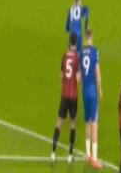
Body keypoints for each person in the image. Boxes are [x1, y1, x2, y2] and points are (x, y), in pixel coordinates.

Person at [51, 32, 80, 164]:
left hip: (64, 95)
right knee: (73, 123)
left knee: (59, 122)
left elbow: (61, 76)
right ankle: (69, 155)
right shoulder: (77, 58)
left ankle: (53, 153)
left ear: (69, 42)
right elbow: (78, 79)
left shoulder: (64, 56)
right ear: (76, 43)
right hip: (73, 96)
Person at [81, 30, 103, 169]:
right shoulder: (95, 52)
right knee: (94, 123)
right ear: (92, 37)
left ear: (85, 38)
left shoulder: (81, 53)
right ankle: (94, 158)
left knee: (87, 122)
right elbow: (97, 71)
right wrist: (99, 88)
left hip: (84, 91)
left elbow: (79, 75)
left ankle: (87, 154)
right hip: (92, 92)